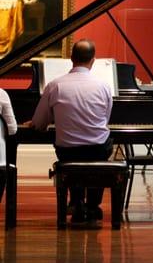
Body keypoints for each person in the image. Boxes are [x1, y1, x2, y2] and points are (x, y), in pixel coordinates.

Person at [28, 39, 112, 226]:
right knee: (101, 148)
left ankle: (76, 202)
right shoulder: (104, 86)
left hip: (68, 151)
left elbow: (40, 123)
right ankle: (92, 205)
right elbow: (105, 120)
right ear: (93, 60)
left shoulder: (54, 85)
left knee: (68, 149)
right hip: (97, 149)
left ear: (71, 58)